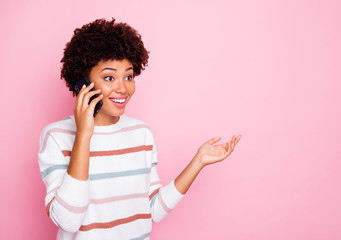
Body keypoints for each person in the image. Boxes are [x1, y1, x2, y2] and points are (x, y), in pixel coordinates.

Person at [38, 18, 241, 240]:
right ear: (83, 83)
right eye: (109, 77)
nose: (123, 88)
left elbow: (153, 209)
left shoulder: (141, 134)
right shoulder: (56, 137)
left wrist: (198, 161)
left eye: (128, 76)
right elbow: (68, 221)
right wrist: (84, 135)